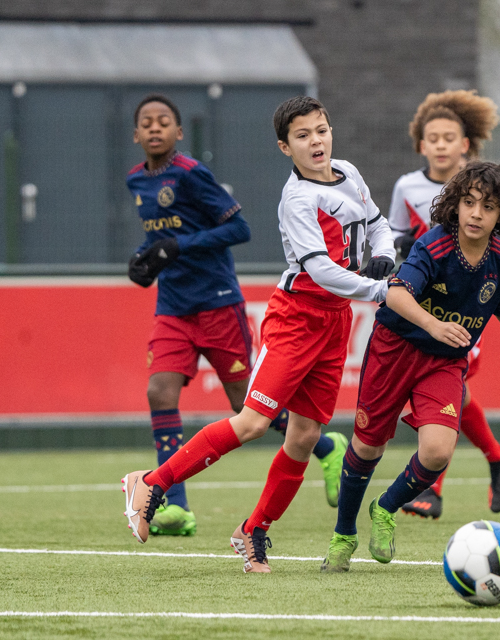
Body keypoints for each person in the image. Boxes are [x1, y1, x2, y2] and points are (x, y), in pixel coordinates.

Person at [121, 96, 396, 573]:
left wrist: (386, 254)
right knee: (250, 422)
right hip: (297, 319)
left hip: (335, 323)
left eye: (321, 130)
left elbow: (377, 223)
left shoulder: (348, 172)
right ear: (284, 147)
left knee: (305, 436)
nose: (316, 141)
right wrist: (378, 288)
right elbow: (322, 271)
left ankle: (253, 531)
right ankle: (151, 482)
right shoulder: (297, 200)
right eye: (303, 135)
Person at [321, 160, 500, 573]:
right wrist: (434, 324)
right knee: (367, 447)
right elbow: (395, 295)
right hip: (394, 350)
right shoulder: (433, 245)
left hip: (445, 363)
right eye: (468, 203)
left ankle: (386, 507)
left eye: (487, 207)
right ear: (455, 205)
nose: (475, 213)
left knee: (436, 452)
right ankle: (344, 534)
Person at [388, 90, 500, 520]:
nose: (441, 144)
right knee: (454, 397)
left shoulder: (481, 185)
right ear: (421, 144)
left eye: (450, 137)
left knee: (449, 389)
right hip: (423, 307)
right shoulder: (406, 186)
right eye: (433, 138)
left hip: (465, 310)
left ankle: (432, 490)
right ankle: (497, 456)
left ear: (466, 144)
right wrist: (402, 247)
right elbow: (390, 240)